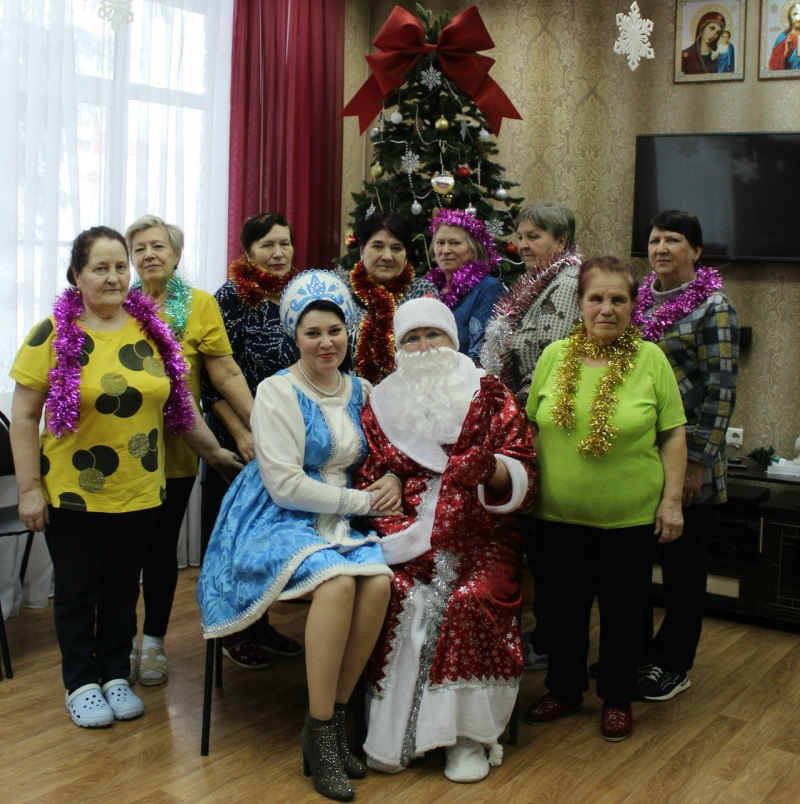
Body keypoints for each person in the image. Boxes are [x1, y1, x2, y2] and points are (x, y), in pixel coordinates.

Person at [8, 226, 240, 728]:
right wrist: (28, 490)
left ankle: (114, 673)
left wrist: (216, 453)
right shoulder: (52, 334)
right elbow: (23, 417)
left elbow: (180, 407)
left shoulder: (151, 331)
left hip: (140, 489)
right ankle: (81, 682)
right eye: (101, 267)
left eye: (120, 266)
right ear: (77, 275)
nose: (114, 277)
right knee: (78, 592)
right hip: (72, 492)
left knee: (120, 589)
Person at [198, 270, 396, 802]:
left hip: (340, 513)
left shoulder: (364, 390)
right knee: (337, 583)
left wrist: (393, 480)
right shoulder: (276, 391)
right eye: (313, 333)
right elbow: (285, 485)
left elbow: (386, 454)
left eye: (335, 330)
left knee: (378, 583)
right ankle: (323, 726)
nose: (326, 342)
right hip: (275, 514)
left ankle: (327, 723)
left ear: (349, 330)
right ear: (295, 336)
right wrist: (362, 502)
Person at [356, 297, 537, 783]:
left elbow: (524, 464)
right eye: (412, 338)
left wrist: (493, 470)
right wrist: (390, 491)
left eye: (432, 334)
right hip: (409, 532)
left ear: (451, 339)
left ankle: (466, 737)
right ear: (399, 347)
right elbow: (370, 474)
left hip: (485, 529)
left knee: (469, 599)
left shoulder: (488, 390)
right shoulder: (380, 403)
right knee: (396, 592)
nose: (424, 346)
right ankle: (393, 733)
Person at [524, 256, 687, 742]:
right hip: (555, 516)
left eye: (618, 299)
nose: (606, 308)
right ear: (580, 302)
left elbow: (673, 434)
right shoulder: (554, 356)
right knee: (560, 609)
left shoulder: (651, 359)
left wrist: (672, 502)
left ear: (633, 306)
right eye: (596, 298)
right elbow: (532, 427)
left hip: (629, 519)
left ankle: (617, 697)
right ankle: (565, 689)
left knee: (625, 613)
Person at [125, 215, 254, 686]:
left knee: (159, 551)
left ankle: (153, 644)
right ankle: (121, 644)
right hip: (121, 453)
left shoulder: (199, 305)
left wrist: (261, 425)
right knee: (122, 554)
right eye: (139, 248)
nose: (149, 255)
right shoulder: (117, 304)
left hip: (178, 450)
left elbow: (225, 372)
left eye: (157, 246)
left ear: (176, 255)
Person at [632, 210, 739, 702]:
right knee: (634, 567)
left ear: (696, 250)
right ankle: (634, 653)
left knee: (682, 571)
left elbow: (721, 390)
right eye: (655, 240)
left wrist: (697, 462)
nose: (661, 248)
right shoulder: (638, 300)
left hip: (691, 459)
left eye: (673, 240)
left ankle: (674, 663)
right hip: (639, 455)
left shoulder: (715, 307)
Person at [481, 199, 584, 672]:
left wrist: (506, 408)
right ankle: (546, 634)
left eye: (534, 237)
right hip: (520, 419)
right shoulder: (537, 281)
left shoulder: (567, 283)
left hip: (539, 424)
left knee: (548, 548)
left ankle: (551, 641)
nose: (522, 245)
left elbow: (549, 358)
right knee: (538, 544)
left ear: (561, 241)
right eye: (520, 236)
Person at [201, 211, 304, 668]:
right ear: (248, 252)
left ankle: (260, 624)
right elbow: (212, 378)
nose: (278, 253)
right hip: (238, 436)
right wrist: (245, 432)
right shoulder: (231, 297)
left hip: (289, 436)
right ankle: (231, 629)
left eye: (285, 243)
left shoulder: (300, 295)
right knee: (235, 537)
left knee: (267, 537)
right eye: (267, 245)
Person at [348, 211, 439, 383]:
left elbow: (434, 351)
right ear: (362, 251)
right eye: (377, 246)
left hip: (411, 391)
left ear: (406, 256)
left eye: (396, 248)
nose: (387, 256)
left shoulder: (422, 292)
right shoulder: (343, 294)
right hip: (349, 393)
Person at [426, 208, 505, 364]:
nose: (445, 250)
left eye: (454, 243)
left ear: (475, 249)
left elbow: (483, 354)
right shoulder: (428, 288)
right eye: (440, 243)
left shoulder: (489, 288)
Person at [768, 3, 800, 71]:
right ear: (790, 17)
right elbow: (773, 66)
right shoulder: (783, 38)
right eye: (795, 14)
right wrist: (786, 52)